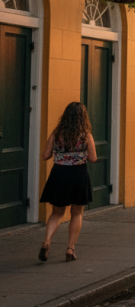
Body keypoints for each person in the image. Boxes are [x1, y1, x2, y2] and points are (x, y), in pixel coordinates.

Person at [38, 102, 97, 263]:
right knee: (76, 212)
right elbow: (93, 158)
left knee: (56, 213)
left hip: (59, 174)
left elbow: (45, 155)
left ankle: (46, 242)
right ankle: (70, 248)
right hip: (78, 175)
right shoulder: (86, 135)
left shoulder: (56, 134)